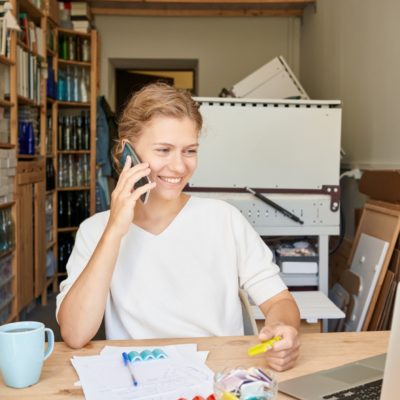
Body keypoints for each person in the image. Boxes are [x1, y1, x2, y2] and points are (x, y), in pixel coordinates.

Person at [56, 83, 300, 371]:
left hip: (219, 376)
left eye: (189, 151)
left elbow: (279, 300)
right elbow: (75, 334)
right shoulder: (95, 230)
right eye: (163, 150)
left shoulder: (224, 219)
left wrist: (282, 329)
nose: (179, 166)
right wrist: (114, 232)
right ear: (126, 152)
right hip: (140, 380)